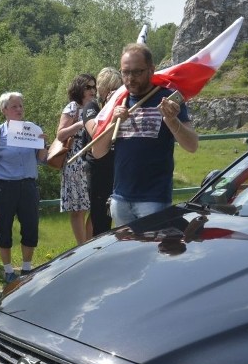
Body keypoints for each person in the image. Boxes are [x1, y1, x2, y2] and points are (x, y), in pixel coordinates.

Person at [92, 43, 199, 227]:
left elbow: (192, 145)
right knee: (126, 255)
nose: (130, 79)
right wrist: (112, 122)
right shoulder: (119, 100)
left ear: (151, 70)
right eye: (125, 72)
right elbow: (97, 152)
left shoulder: (168, 97)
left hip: (154, 200)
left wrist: (173, 121)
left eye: (137, 72)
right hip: (120, 198)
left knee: (151, 255)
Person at [0, 92, 47, 284]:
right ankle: (8, 270)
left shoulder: (32, 129)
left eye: (21, 106)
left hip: (28, 186)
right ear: (4, 110)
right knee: (3, 230)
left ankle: (26, 269)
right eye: (14, 106)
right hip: (3, 188)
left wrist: (43, 143)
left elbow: (42, 159)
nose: (19, 109)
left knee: (30, 227)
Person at [82, 68, 122, 236]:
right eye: (112, 88)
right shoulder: (92, 107)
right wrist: (111, 109)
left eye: (119, 88)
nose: (116, 92)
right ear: (104, 89)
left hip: (118, 167)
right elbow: (95, 132)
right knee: (100, 216)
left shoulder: (124, 107)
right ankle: (94, 251)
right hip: (98, 169)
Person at [57, 73, 95, 245]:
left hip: (92, 158)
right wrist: (80, 123)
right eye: (88, 87)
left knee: (94, 206)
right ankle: (81, 247)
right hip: (75, 159)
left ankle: (89, 243)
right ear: (79, 88)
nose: (92, 90)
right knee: (78, 209)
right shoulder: (73, 107)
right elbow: (60, 134)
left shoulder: (95, 106)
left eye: (94, 87)